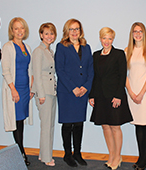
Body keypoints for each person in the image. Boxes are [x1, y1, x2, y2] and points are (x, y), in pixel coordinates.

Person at [89, 27, 133, 170]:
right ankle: (111, 155)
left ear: (112, 39)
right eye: (104, 38)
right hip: (100, 96)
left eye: (109, 38)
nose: (106, 41)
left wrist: (118, 95)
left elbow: (122, 76)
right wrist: (92, 95)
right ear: (100, 39)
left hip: (115, 96)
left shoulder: (119, 54)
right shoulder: (95, 55)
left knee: (115, 127)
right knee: (105, 126)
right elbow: (94, 77)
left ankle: (117, 156)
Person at [54, 18, 94, 167]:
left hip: (82, 92)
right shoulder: (61, 47)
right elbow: (60, 70)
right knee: (67, 124)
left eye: (77, 29)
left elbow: (91, 70)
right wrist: (73, 88)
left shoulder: (87, 47)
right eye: (71, 29)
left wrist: (86, 87)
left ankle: (77, 153)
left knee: (78, 123)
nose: (74, 32)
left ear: (80, 31)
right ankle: (67, 154)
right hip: (67, 92)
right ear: (66, 31)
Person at [1, 17, 33, 166]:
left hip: (26, 89)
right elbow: (5, 70)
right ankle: (21, 153)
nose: (19, 31)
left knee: (21, 121)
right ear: (11, 30)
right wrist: (13, 90)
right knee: (17, 121)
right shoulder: (8, 46)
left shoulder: (27, 47)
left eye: (22, 28)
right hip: (15, 89)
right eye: (16, 28)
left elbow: (30, 69)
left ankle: (21, 151)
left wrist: (32, 88)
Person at [125, 22, 146, 170]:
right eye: (135, 32)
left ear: (144, 33)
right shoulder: (127, 51)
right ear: (131, 34)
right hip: (132, 92)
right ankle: (141, 156)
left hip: (145, 92)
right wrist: (131, 92)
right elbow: (124, 74)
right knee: (137, 124)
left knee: (145, 124)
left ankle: (145, 158)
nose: (137, 34)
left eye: (140, 31)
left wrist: (141, 93)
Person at [32, 23, 57, 166]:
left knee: (50, 125)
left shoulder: (49, 51)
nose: (49, 36)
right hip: (44, 93)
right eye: (46, 33)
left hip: (51, 92)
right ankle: (47, 158)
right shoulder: (38, 51)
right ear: (41, 35)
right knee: (46, 126)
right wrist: (40, 94)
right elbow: (36, 73)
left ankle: (43, 154)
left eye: (51, 33)